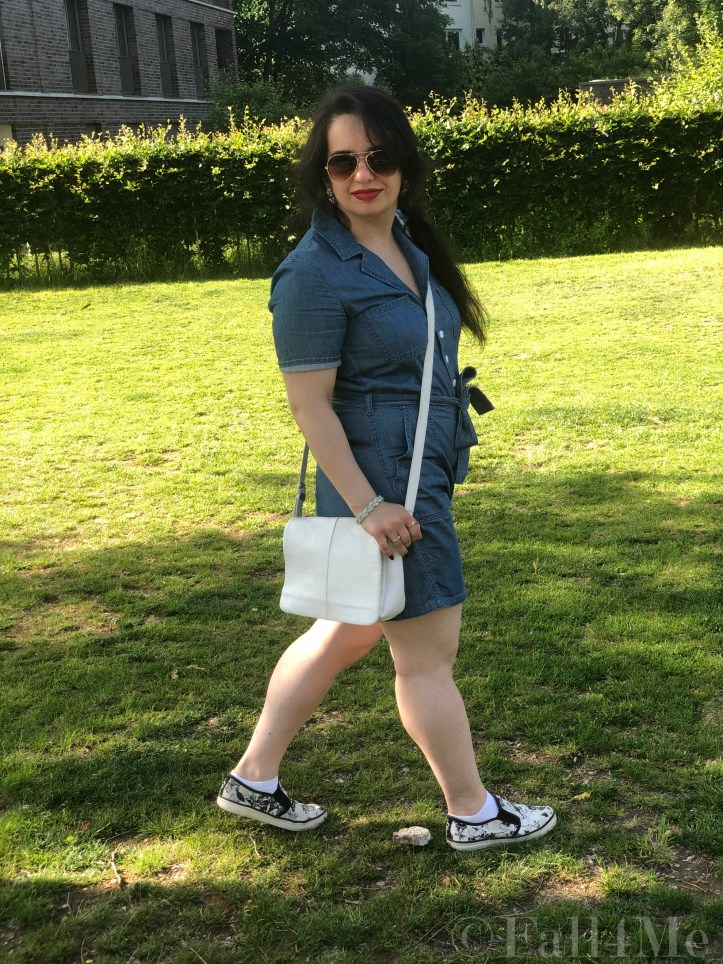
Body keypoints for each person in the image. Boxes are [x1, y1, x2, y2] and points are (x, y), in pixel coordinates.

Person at [217, 86, 556, 851]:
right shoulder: (311, 274)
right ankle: (473, 813)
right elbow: (310, 408)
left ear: (403, 164)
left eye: (379, 157)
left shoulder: (405, 241)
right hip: (385, 486)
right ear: (322, 173)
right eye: (343, 161)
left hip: (414, 472)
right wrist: (369, 505)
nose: (362, 174)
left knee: (347, 630)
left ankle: (253, 778)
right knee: (426, 654)